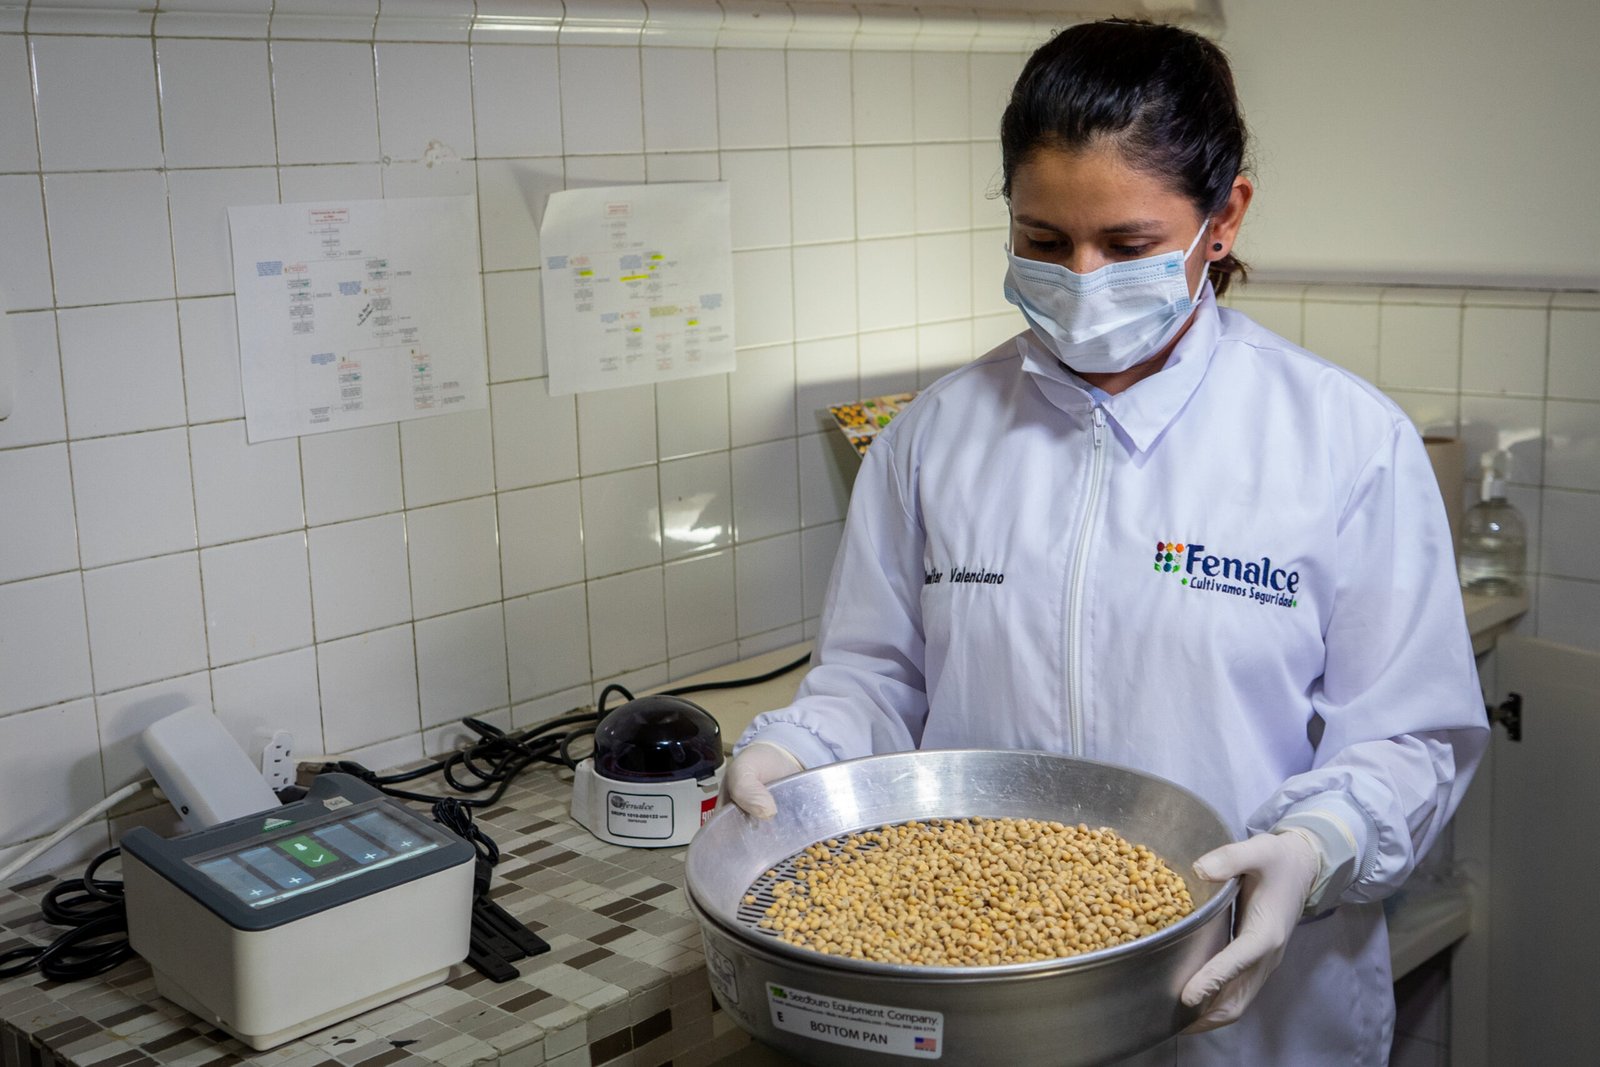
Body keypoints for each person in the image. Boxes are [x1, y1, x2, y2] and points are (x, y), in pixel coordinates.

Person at [723, 17, 1488, 1067]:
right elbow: (879, 680)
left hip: (1253, 1011)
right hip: (994, 994)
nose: (1082, 278)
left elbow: (1410, 737)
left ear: (1224, 218)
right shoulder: (935, 437)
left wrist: (1317, 847)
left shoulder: (1342, 443)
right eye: (1043, 241)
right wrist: (797, 751)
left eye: (1126, 246)